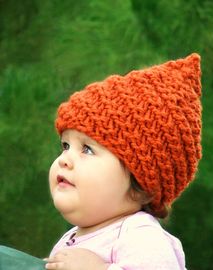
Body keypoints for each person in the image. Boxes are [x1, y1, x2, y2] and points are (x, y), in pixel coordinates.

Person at [44, 53, 202, 270]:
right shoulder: (75, 235)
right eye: (65, 146)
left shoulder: (142, 238)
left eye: (87, 149)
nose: (64, 160)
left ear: (141, 188)